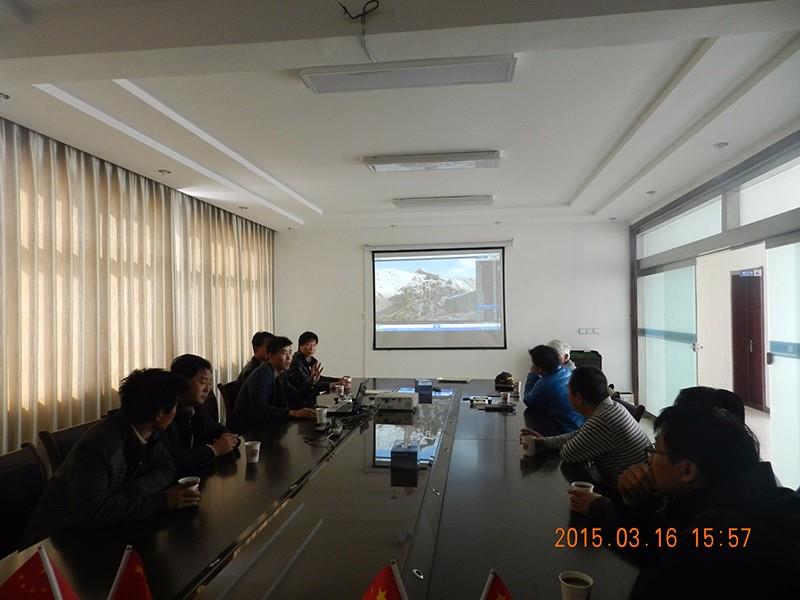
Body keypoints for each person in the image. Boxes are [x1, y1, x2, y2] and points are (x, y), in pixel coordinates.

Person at [576, 402, 800, 598]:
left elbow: (650, 589)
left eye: (655, 451)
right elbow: (662, 546)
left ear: (686, 471)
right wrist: (636, 504)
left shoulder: (715, 539)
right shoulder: (765, 498)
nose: (649, 459)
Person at [23, 369, 200, 545]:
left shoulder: (147, 431)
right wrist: (161, 502)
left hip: (105, 531)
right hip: (56, 545)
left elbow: (167, 467)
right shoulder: (102, 445)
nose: (176, 410)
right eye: (175, 405)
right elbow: (93, 511)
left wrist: (132, 492)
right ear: (159, 414)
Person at [524, 366, 649, 491]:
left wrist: (551, 443)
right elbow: (579, 434)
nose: (567, 396)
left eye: (568, 392)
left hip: (626, 495)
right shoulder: (613, 407)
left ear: (578, 398)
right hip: (637, 486)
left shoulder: (602, 420)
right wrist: (546, 442)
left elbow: (567, 453)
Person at [164, 354, 239, 476]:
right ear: (181, 382)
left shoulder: (197, 408)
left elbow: (218, 430)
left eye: (210, 383)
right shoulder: (166, 415)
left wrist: (228, 440)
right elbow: (170, 461)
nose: (208, 389)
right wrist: (213, 450)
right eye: (203, 382)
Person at [229, 336, 316, 433]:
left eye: (290, 352)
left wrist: (311, 383)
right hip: (249, 430)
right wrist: (292, 413)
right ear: (270, 355)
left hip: (268, 424)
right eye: (284, 353)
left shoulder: (281, 374)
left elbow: (295, 397)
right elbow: (260, 408)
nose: (289, 358)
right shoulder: (262, 374)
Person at [523, 345, 584, 433]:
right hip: (579, 424)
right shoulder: (567, 371)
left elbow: (528, 401)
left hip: (564, 430)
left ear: (539, 368)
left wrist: (532, 374)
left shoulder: (545, 384)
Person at [287, 331, 349, 400]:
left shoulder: (310, 360)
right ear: (300, 346)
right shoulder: (295, 363)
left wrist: (338, 380)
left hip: (311, 398)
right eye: (308, 345)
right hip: (301, 401)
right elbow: (307, 383)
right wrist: (334, 384)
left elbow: (317, 379)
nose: (311, 348)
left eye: (314, 345)